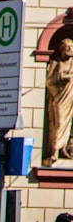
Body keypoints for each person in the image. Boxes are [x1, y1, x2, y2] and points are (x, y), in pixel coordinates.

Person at [45, 38, 73, 166]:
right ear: (61, 49)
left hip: (71, 99)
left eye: (71, 47)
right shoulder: (56, 63)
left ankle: (66, 149)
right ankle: (54, 152)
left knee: (71, 125)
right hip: (60, 98)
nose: (69, 49)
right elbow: (49, 82)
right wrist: (62, 79)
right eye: (66, 47)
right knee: (60, 123)